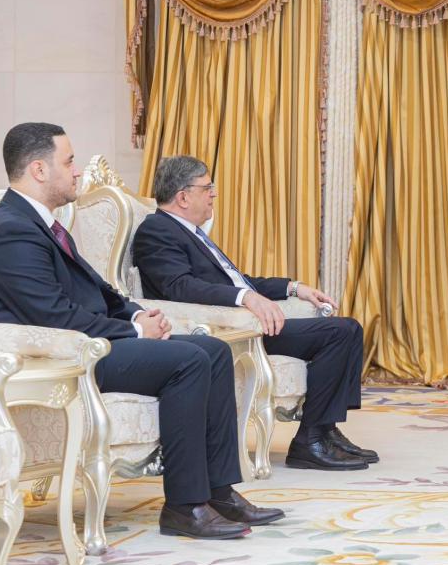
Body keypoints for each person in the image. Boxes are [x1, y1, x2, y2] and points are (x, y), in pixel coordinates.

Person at [0, 123, 284, 539]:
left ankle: (218, 492)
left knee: (214, 350)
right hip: (58, 359)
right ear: (39, 170)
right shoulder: (10, 230)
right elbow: (53, 317)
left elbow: (99, 291)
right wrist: (133, 332)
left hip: (89, 342)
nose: (77, 171)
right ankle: (185, 507)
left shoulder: (40, 224)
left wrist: (137, 315)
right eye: (69, 161)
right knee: (189, 360)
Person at [131, 155, 374, 472]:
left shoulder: (191, 232)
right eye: (207, 188)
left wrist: (292, 288)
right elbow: (179, 287)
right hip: (232, 331)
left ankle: (325, 430)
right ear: (183, 197)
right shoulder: (157, 230)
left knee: (346, 330)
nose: (214, 194)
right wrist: (245, 298)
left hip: (247, 322)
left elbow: (238, 280)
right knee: (341, 332)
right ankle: (310, 440)